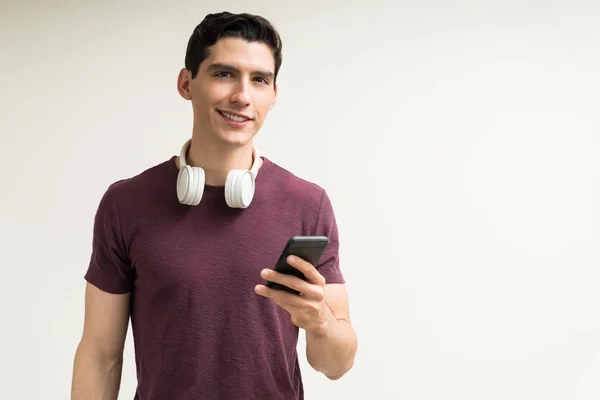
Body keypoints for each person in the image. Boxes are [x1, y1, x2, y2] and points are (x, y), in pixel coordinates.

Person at [70, 11, 357, 400]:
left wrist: (320, 321)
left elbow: (335, 366)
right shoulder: (126, 204)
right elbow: (100, 355)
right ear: (187, 83)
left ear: (273, 96)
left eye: (259, 80)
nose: (242, 95)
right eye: (224, 74)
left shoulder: (308, 203)